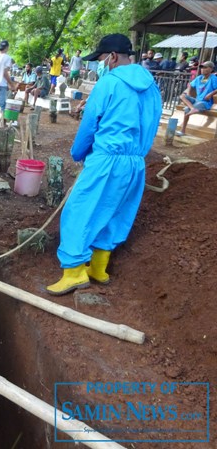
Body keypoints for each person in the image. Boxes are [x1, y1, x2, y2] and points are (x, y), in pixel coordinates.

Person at [46, 33, 161, 295]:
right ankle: (98, 267)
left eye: (100, 59)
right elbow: (153, 125)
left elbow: (90, 124)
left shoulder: (109, 83)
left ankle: (74, 272)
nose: (100, 64)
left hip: (107, 159)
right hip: (135, 163)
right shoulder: (152, 87)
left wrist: (78, 153)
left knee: (79, 211)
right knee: (115, 211)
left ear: (112, 56)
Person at [176, 61, 217, 136]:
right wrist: (188, 93)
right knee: (182, 96)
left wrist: (210, 94)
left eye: (205, 67)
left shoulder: (213, 78)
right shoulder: (199, 78)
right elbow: (191, 85)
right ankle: (192, 109)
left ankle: (183, 130)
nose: (202, 69)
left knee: (187, 110)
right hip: (196, 100)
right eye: (202, 67)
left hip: (205, 102)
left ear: (211, 69)